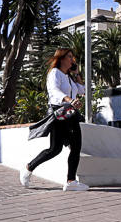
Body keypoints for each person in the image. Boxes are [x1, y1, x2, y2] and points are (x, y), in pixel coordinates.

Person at [22, 48, 89, 191]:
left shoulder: (69, 77)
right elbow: (54, 91)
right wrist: (69, 99)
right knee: (55, 149)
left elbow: (82, 91)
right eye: (70, 57)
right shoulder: (54, 73)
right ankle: (29, 167)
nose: (72, 60)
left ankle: (71, 181)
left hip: (71, 115)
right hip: (59, 115)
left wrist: (77, 74)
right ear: (62, 58)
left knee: (76, 146)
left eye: (73, 57)